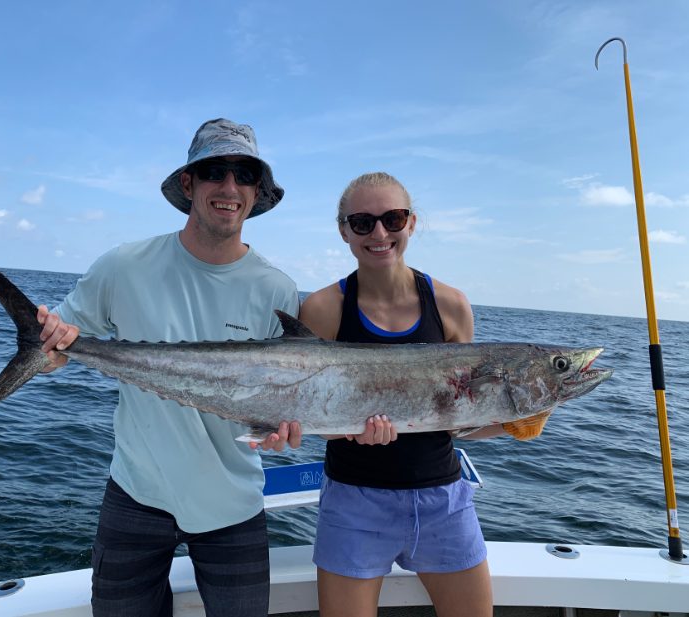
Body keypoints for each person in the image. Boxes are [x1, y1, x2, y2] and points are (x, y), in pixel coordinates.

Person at [36, 119, 302, 617]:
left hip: (234, 505)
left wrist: (280, 430)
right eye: (214, 171)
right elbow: (54, 351)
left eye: (244, 175)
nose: (229, 187)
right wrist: (48, 346)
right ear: (189, 183)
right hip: (136, 494)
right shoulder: (123, 266)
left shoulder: (276, 290)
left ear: (256, 191)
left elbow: (278, 400)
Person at [299, 172, 549, 617]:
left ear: (411, 224)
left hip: (443, 501)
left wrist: (516, 420)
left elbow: (455, 423)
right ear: (343, 230)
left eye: (393, 219)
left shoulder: (451, 305)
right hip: (354, 502)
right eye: (362, 222)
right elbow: (317, 415)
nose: (379, 233)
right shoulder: (323, 308)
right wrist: (350, 433)